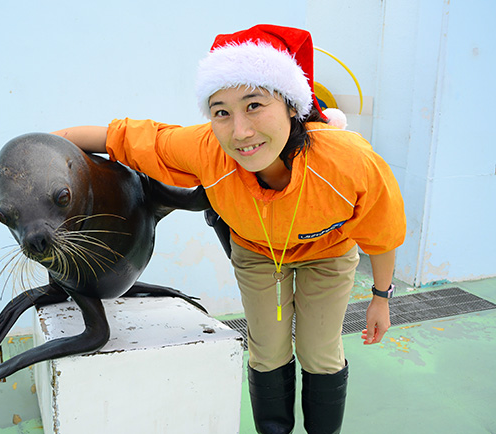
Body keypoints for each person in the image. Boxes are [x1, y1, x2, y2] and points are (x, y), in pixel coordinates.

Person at [53, 24, 406, 434]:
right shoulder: (206, 149)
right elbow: (120, 137)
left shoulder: (347, 162)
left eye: (254, 105)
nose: (240, 132)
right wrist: (43, 149)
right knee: (267, 350)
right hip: (258, 255)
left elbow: (382, 233)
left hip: (327, 255)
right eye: (222, 111)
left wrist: (381, 299)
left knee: (320, 351)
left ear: (293, 106)